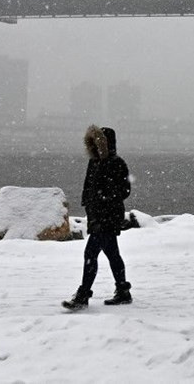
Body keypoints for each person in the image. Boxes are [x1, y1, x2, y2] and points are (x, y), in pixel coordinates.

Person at [62, 124, 133, 310]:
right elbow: (88, 187)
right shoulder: (94, 162)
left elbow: (125, 190)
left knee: (90, 254)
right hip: (96, 217)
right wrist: (88, 204)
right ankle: (123, 291)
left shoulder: (117, 163)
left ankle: (83, 295)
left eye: (99, 142)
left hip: (108, 217)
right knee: (112, 254)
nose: (95, 146)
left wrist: (105, 197)